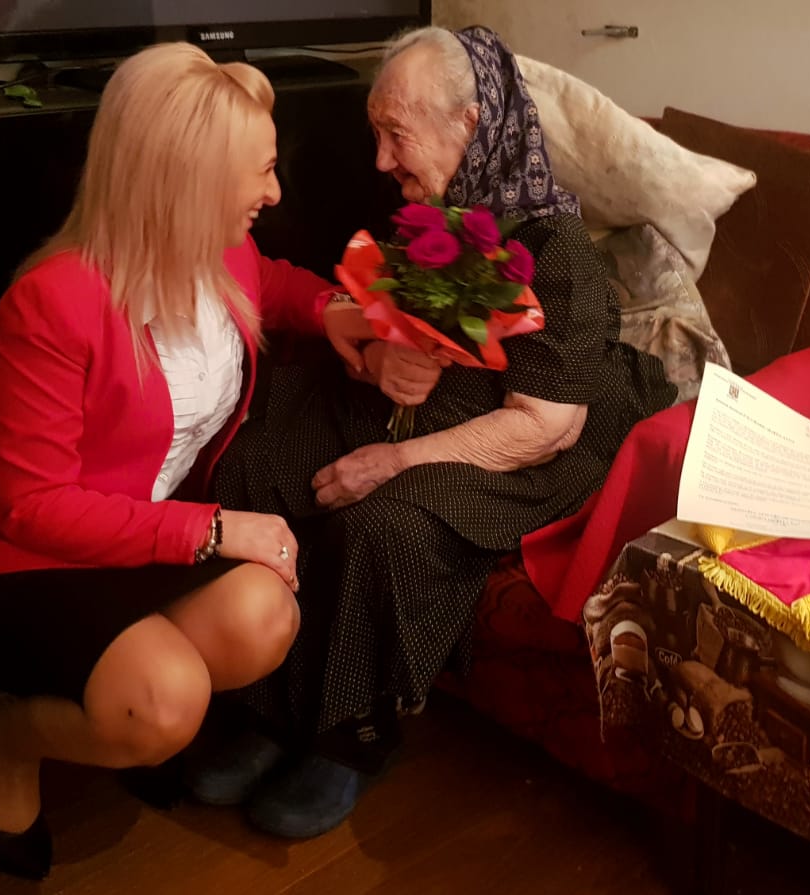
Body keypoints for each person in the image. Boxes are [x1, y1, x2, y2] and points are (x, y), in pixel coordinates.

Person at [194, 25, 677, 839]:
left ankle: (350, 736)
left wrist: (392, 460)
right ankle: (267, 703)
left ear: (469, 123)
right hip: (424, 411)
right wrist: (380, 359)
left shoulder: (556, 249)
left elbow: (543, 426)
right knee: (265, 458)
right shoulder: (431, 213)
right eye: (376, 133)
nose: (381, 159)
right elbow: (375, 323)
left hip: (520, 441)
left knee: (382, 524)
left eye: (396, 134)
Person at [0, 42, 372, 879]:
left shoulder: (220, 252)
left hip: (142, 539)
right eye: (262, 171)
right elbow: (32, 508)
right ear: (188, 179)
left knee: (266, 619)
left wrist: (334, 310)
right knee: (166, 704)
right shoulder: (49, 301)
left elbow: (271, 282)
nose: (276, 192)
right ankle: (4, 739)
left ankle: (125, 695)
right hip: (28, 566)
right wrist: (216, 528)